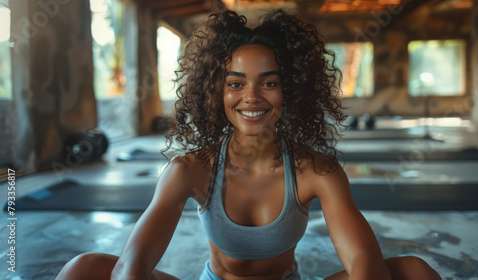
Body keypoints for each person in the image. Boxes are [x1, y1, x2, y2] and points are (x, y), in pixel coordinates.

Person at [56, 9, 441, 280]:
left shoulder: (317, 171)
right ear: (216, 91)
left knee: (415, 272)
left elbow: (365, 262)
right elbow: (131, 267)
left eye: (269, 83)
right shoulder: (190, 169)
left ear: (289, 90)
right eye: (236, 83)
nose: (251, 97)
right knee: (83, 269)